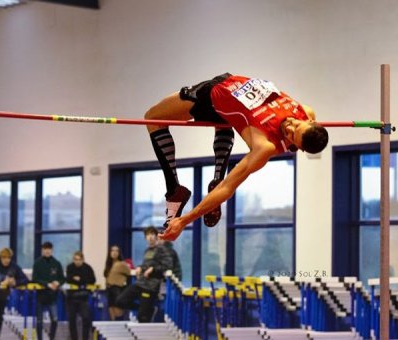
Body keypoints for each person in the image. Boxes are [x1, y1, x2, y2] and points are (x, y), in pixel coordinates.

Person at [145, 73, 329, 241]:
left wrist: (184, 220)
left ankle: (174, 189)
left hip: (210, 96)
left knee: (153, 118)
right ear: (310, 121)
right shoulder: (306, 111)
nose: (289, 127)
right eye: (296, 126)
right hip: (228, 86)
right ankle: (217, 173)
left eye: (291, 136)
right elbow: (314, 133)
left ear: (298, 147)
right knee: (226, 120)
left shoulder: (265, 145)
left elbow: (227, 188)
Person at [115, 227, 172, 322]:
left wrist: (153, 269)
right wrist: (140, 267)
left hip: (151, 286)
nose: (150, 237)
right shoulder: (147, 251)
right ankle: (146, 309)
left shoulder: (162, 249)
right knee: (120, 301)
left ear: (156, 237)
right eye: (147, 235)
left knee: (142, 318)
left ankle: (145, 310)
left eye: (152, 234)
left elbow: (168, 264)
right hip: (140, 283)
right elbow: (146, 264)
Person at [0, 248, 29, 340]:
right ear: (0, 258)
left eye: (9, 258)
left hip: (2, 296)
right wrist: (0, 282)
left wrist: (15, 283)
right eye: (4, 258)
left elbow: (25, 280)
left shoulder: (14, 266)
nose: (7, 260)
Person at [32, 242, 65, 340]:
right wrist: (47, 284)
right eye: (45, 249)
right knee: (39, 321)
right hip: (40, 296)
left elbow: (62, 278)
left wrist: (58, 282)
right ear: (42, 250)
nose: (47, 251)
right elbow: (35, 278)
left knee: (55, 320)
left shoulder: (57, 263)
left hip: (52, 296)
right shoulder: (37, 263)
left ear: (52, 250)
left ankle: (52, 338)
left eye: (49, 249)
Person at [65, 251, 96, 340]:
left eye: (79, 259)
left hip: (83, 298)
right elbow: (68, 279)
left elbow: (92, 280)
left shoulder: (88, 268)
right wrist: (76, 279)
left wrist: (79, 279)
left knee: (86, 319)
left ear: (83, 260)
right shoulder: (69, 267)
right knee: (72, 321)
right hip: (71, 298)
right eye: (75, 259)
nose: (77, 261)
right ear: (73, 259)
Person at [103, 245, 131, 320]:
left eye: (116, 251)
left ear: (119, 253)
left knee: (118, 313)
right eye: (112, 250)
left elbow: (130, 275)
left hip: (118, 289)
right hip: (109, 289)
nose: (114, 252)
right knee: (111, 315)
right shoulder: (108, 264)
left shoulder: (122, 264)